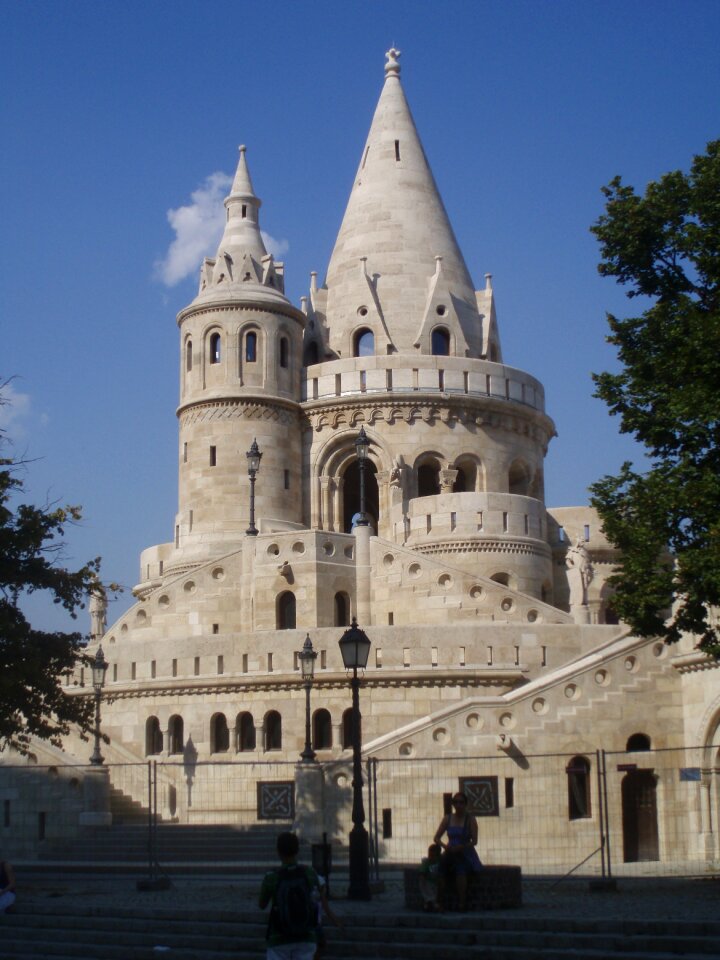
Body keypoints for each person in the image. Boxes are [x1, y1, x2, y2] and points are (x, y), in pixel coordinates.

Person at [259, 832, 320, 960]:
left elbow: (262, 904)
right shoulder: (310, 873)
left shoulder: (271, 877)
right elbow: (317, 899)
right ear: (297, 850)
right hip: (306, 935)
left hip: (279, 936)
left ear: (278, 851)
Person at [433, 792, 482, 911]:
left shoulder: (470, 819)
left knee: (461, 869)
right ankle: (440, 901)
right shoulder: (448, 818)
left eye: (461, 802)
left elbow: (474, 841)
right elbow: (436, 838)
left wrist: (462, 847)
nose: (458, 805)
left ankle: (462, 902)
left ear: (465, 804)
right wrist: (445, 847)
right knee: (441, 868)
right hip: (450, 851)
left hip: (465, 852)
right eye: (456, 802)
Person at [419, 843, 442, 911]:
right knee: (429, 893)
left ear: (438, 856)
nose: (431, 857)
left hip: (435, 882)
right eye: (430, 855)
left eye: (433, 855)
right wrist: (422, 879)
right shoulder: (427, 862)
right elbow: (422, 872)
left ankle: (430, 904)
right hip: (428, 882)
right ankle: (431, 905)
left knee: (435, 893)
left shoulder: (439, 861)